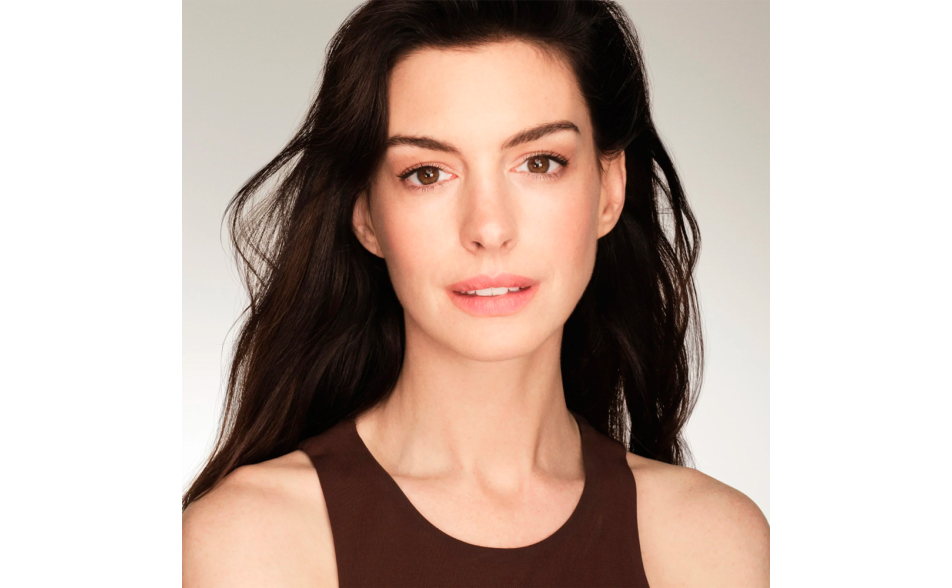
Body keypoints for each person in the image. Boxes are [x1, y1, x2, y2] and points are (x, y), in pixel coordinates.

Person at [182, 1, 769, 586]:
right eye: (427, 173)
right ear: (366, 214)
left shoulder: (713, 545)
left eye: (539, 163)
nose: (488, 228)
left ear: (610, 190)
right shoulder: (250, 542)